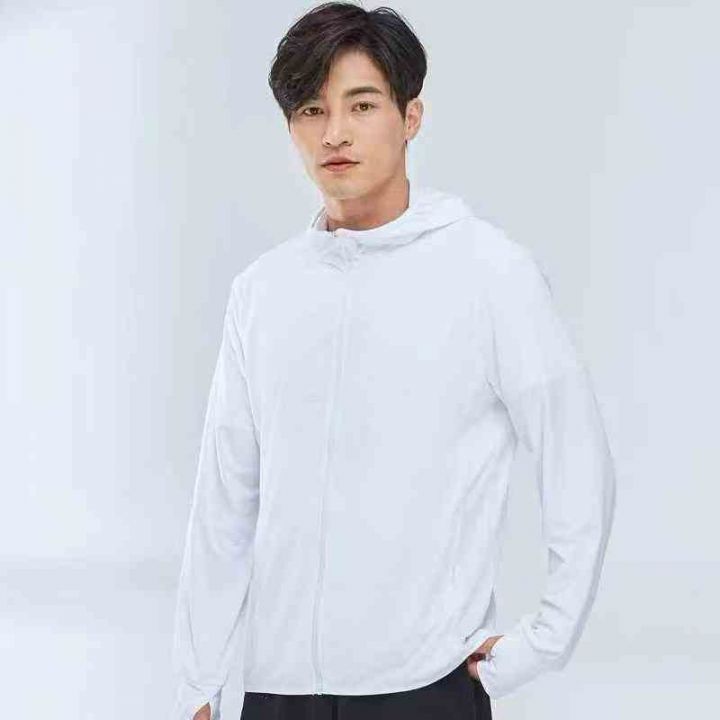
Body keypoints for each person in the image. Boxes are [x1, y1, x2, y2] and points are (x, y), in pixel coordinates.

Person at [169, 3, 617, 719]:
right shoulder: (262, 292)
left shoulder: (489, 273)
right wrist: (197, 684)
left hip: (424, 688)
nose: (334, 133)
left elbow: (576, 457)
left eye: (362, 104)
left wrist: (540, 644)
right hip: (278, 689)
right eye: (311, 109)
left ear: (411, 116)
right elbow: (225, 501)